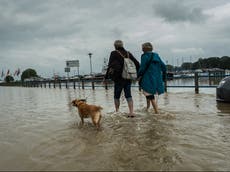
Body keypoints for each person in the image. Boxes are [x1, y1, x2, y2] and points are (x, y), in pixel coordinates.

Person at [104, 40, 140, 117]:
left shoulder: (114, 53)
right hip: (128, 77)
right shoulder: (128, 53)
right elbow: (137, 64)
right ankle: (131, 112)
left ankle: (117, 111)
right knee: (128, 95)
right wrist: (137, 75)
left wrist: (106, 77)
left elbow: (110, 66)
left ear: (115, 46)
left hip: (118, 78)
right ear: (122, 45)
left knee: (117, 95)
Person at [138, 42, 166, 114]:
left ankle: (156, 112)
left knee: (150, 95)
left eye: (142, 48)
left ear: (144, 49)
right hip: (157, 79)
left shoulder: (144, 56)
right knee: (148, 93)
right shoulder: (156, 56)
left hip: (147, 78)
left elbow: (142, 68)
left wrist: (138, 75)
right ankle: (147, 108)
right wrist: (163, 76)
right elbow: (164, 67)